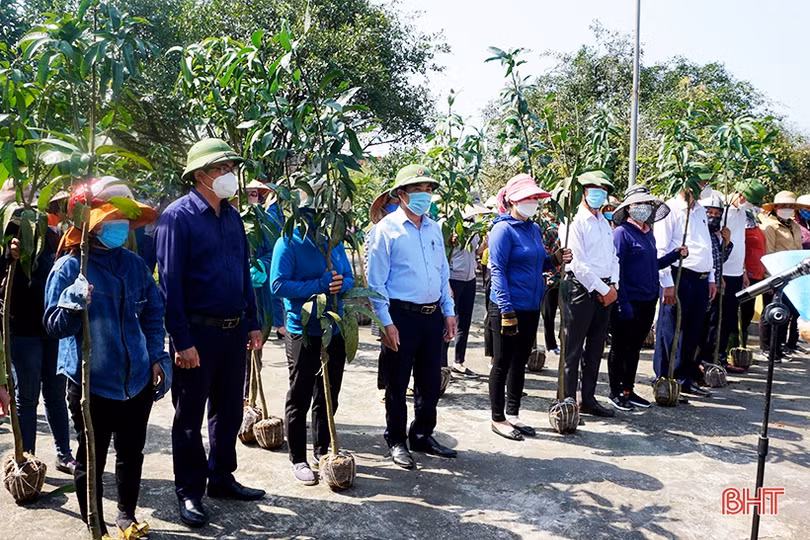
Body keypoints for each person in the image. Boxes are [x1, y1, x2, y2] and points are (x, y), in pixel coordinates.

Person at [43, 182, 171, 539]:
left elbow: (152, 312)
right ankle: (93, 522)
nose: (119, 224)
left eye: (122, 218)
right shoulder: (68, 269)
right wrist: (71, 303)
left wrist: (158, 355)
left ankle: (126, 514)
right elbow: (53, 326)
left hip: (137, 379)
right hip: (91, 384)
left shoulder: (134, 265)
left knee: (132, 452)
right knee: (92, 457)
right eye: (111, 217)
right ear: (93, 223)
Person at [156, 138, 265, 528]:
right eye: (222, 169)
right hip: (196, 335)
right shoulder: (177, 217)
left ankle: (221, 477)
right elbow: (169, 283)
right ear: (200, 175)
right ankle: (189, 491)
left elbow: (242, 273)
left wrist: (252, 321)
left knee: (229, 410)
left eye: (230, 168)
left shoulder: (233, 217)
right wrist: (181, 339)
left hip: (233, 332)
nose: (229, 175)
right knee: (189, 417)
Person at [367, 164, 458, 469]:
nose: (425, 196)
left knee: (430, 382)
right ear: (402, 194)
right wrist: (385, 323)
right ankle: (395, 439)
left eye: (429, 190)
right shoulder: (386, 230)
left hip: (431, 317)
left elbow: (442, 272)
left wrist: (448, 312)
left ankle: (421, 434)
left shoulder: (433, 228)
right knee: (397, 382)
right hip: (400, 317)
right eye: (418, 190)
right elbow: (375, 283)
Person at [270, 196, 353, 485]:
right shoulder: (288, 241)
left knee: (329, 392)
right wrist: (318, 286)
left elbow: (349, 277)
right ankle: (297, 457)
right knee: (300, 393)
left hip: (334, 325)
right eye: (314, 212)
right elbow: (277, 284)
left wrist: (342, 284)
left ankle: (321, 449)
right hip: (302, 328)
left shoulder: (335, 241)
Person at [488, 174, 570, 440]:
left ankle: (513, 414)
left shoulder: (533, 229)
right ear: (512, 200)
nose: (532, 202)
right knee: (502, 363)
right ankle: (498, 418)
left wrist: (555, 259)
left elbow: (538, 262)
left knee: (520, 362)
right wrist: (506, 308)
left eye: (535, 198)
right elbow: (498, 270)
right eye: (527, 198)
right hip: (507, 307)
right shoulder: (502, 230)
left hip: (530, 306)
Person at [1, 197, 75, 474]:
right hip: (22, 333)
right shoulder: (7, 249)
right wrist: (10, 259)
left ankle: (64, 454)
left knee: (56, 395)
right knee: (27, 398)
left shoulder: (53, 243)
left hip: (51, 330)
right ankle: (28, 458)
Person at [607, 185, 684, 411]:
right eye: (639, 204)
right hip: (628, 300)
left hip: (648, 299)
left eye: (647, 204)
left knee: (634, 348)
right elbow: (616, 269)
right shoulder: (621, 233)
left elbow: (652, 265)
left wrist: (673, 255)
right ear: (629, 208)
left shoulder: (648, 233)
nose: (644, 208)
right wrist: (622, 301)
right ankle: (615, 391)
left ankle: (629, 390)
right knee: (620, 347)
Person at [558, 171, 619, 417]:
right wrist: (603, 289)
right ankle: (567, 400)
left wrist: (613, 285)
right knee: (572, 349)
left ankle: (588, 399)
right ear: (583, 191)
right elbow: (577, 263)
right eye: (593, 188)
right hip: (581, 290)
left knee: (595, 348)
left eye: (603, 189)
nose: (598, 193)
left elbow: (613, 257)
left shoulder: (604, 222)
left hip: (605, 290)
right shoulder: (573, 221)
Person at [653, 179, 717, 399]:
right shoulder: (669, 210)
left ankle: (683, 378)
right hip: (679, 276)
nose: (705, 186)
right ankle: (664, 379)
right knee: (670, 331)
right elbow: (661, 249)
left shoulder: (699, 210)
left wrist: (711, 277)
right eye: (701, 182)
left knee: (692, 332)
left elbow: (705, 245)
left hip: (699, 280)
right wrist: (667, 284)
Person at [443, 197, 490, 378]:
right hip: (454, 278)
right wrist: (446, 283)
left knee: (465, 321)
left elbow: (473, 252)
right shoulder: (451, 227)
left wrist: (483, 247)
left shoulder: (474, 228)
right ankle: (442, 365)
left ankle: (459, 362)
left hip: (469, 279)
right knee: (448, 321)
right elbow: (445, 256)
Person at [758, 191, 807, 359]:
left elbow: (799, 250)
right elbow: (768, 254)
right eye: (784, 206)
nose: (787, 209)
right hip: (776, 275)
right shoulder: (769, 226)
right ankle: (767, 348)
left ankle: (778, 348)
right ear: (776, 207)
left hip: (793, 276)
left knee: (785, 314)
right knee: (770, 313)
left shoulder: (794, 226)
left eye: (791, 206)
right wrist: (769, 280)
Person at [695, 193, 736, 372]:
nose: (713, 216)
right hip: (702, 286)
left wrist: (726, 243)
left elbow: (718, 261)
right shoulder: (700, 234)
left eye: (717, 213)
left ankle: (708, 360)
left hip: (716, 288)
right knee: (700, 328)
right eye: (709, 212)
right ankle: (697, 363)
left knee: (712, 328)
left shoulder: (714, 236)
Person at [739, 182, 768, 347]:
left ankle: (742, 348)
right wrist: (744, 272)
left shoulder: (756, 227)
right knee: (742, 314)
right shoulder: (743, 228)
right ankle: (735, 349)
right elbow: (742, 249)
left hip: (757, 275)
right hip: (747, 276)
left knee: (748, 314)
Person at [538, 209, 562, 355]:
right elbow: (545, 252)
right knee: (549, 314)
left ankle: (555, 342)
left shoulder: (563, 228)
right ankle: (551, 344)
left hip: (559, 276)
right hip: (552, 277)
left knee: (553, 314)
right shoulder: (548, 230)